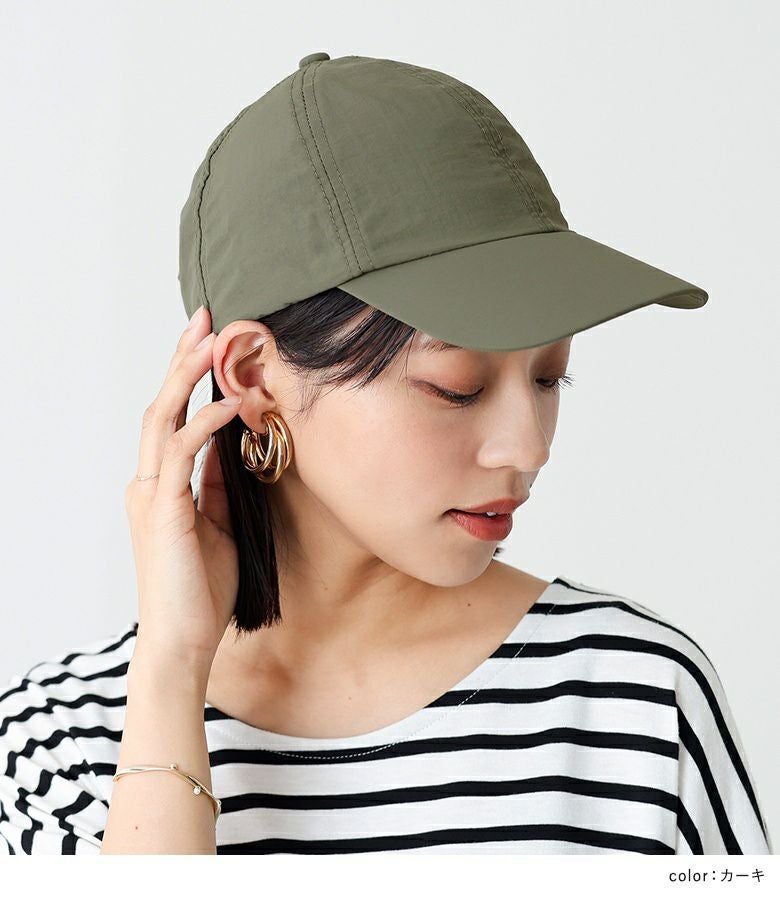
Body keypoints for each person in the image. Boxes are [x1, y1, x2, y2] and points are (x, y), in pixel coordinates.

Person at [0, 52, 772, 855]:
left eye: (551, 378)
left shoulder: (636, 703)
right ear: (255, 377)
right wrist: (169, 673)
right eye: (457, 387)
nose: (529, 446)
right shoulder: (52, 750)